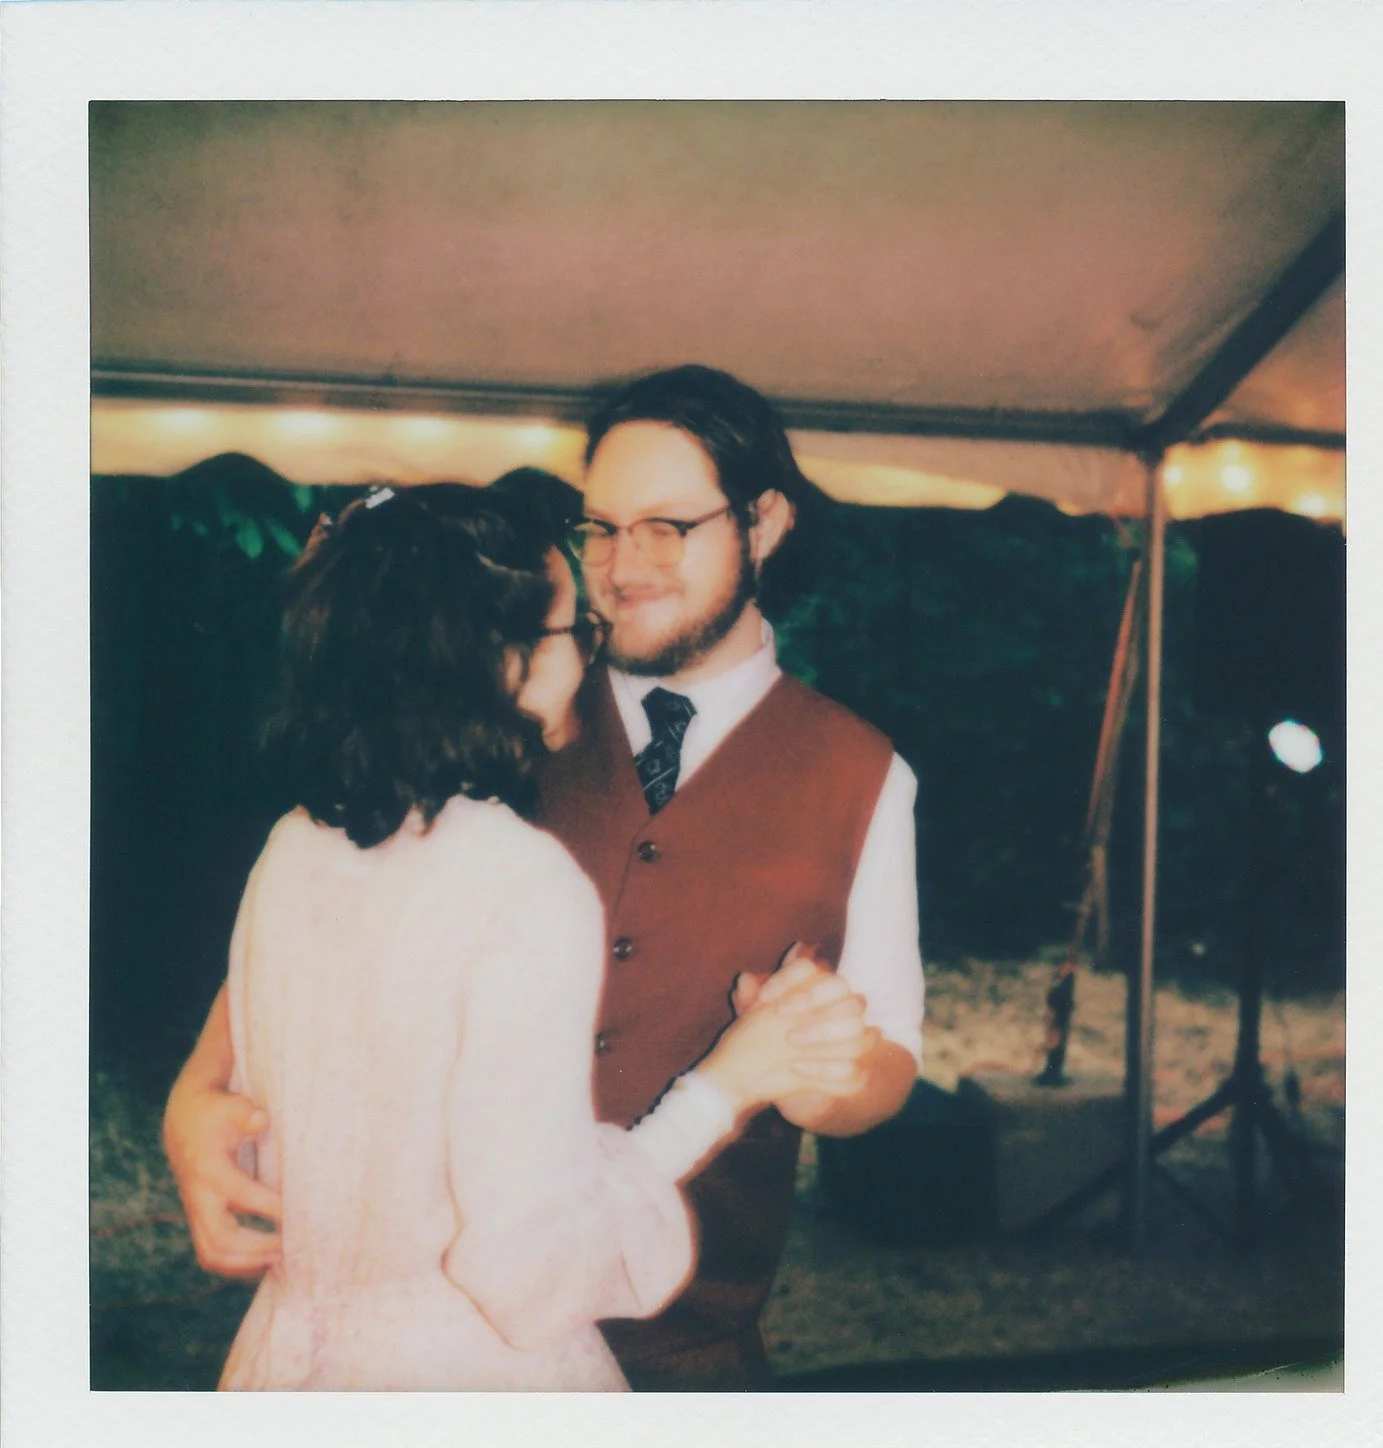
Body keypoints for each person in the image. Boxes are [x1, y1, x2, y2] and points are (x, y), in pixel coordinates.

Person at [166, 364, 924, 1390]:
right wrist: (196, 1091)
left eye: (667, 526)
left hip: (690, 1338)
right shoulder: (487, 717)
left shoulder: (863, 771)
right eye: (599, 526)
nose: (622, 563)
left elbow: (888, 1066)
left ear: (766, 521)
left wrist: (825, 1069)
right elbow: (346, 926)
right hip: (462, 1335)